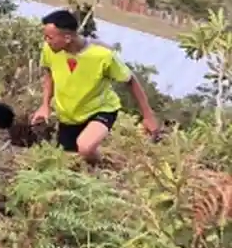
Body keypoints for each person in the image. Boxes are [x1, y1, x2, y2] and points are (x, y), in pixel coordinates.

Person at [32, 9, 160, 163]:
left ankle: (103, 165)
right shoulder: (50, 50)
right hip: (69, 115)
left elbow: (130, 80)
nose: (46, 41)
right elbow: (49, 74)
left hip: (100, 110)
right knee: (71, 161)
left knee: (85, 147)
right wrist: (44, 105)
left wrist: (148, 115)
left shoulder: (102, 55)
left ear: (67, 38)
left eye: (49, 37)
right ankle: (99, 167)